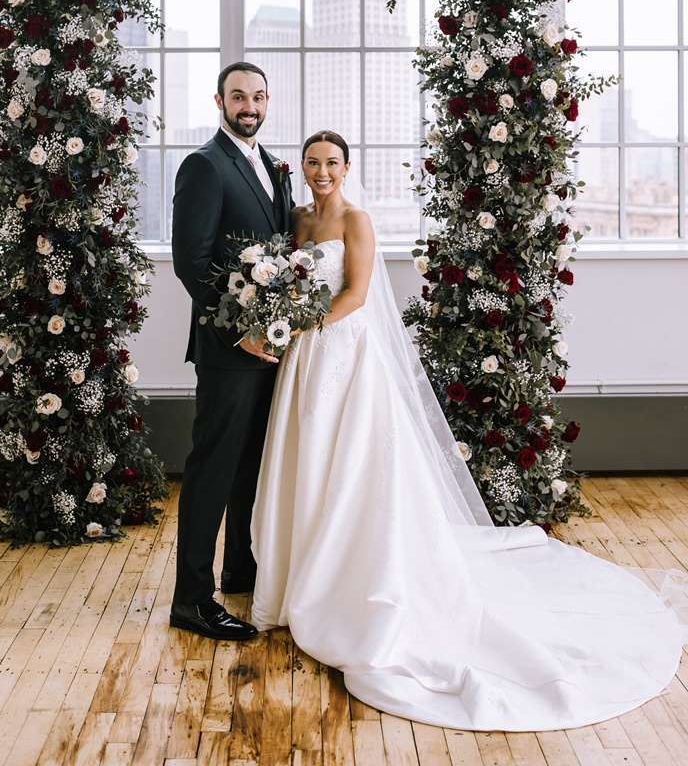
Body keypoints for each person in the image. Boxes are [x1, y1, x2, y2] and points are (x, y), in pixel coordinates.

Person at [251, 130, 687, 731]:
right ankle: (299, 573)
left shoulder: (357, 220)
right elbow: (289, 279)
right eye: (312, 162)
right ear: (301, 168)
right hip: (304, 359)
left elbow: (355, 293)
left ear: (347, 167)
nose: (322, 171)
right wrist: (285, 321)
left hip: (343, 352)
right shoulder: (297, 219)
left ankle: (347, 583)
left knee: (349, 466)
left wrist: (301, 325)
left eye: (331, 162)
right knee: (307, 461)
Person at [170, 62, 293, 641]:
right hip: (227, 347)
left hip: (272, 347)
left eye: (259, 96)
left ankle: (240, 573)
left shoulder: (273, 167)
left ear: (268, 102)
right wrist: (238, 329)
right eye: (239, 95)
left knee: (252, 466)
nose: (249, 105)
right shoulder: (204, 165)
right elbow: (191, 262)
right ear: (218, 99)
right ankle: (192, 599)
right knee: (213, 468)